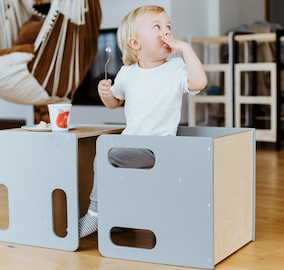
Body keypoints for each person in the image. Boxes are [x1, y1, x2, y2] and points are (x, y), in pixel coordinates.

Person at [79, 5, 207, 238]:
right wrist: (106, 95)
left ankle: (95, 214)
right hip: (132, 144)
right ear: (136, 44)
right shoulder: (128, 73)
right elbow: (115, 102)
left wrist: (186, 48)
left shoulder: (175, 68)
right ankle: (123, 217)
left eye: (168, 26)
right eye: (157, 27)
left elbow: (198, 82)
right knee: (115, 166)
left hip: (159, 147)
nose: (167, 32)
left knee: (104, 153)